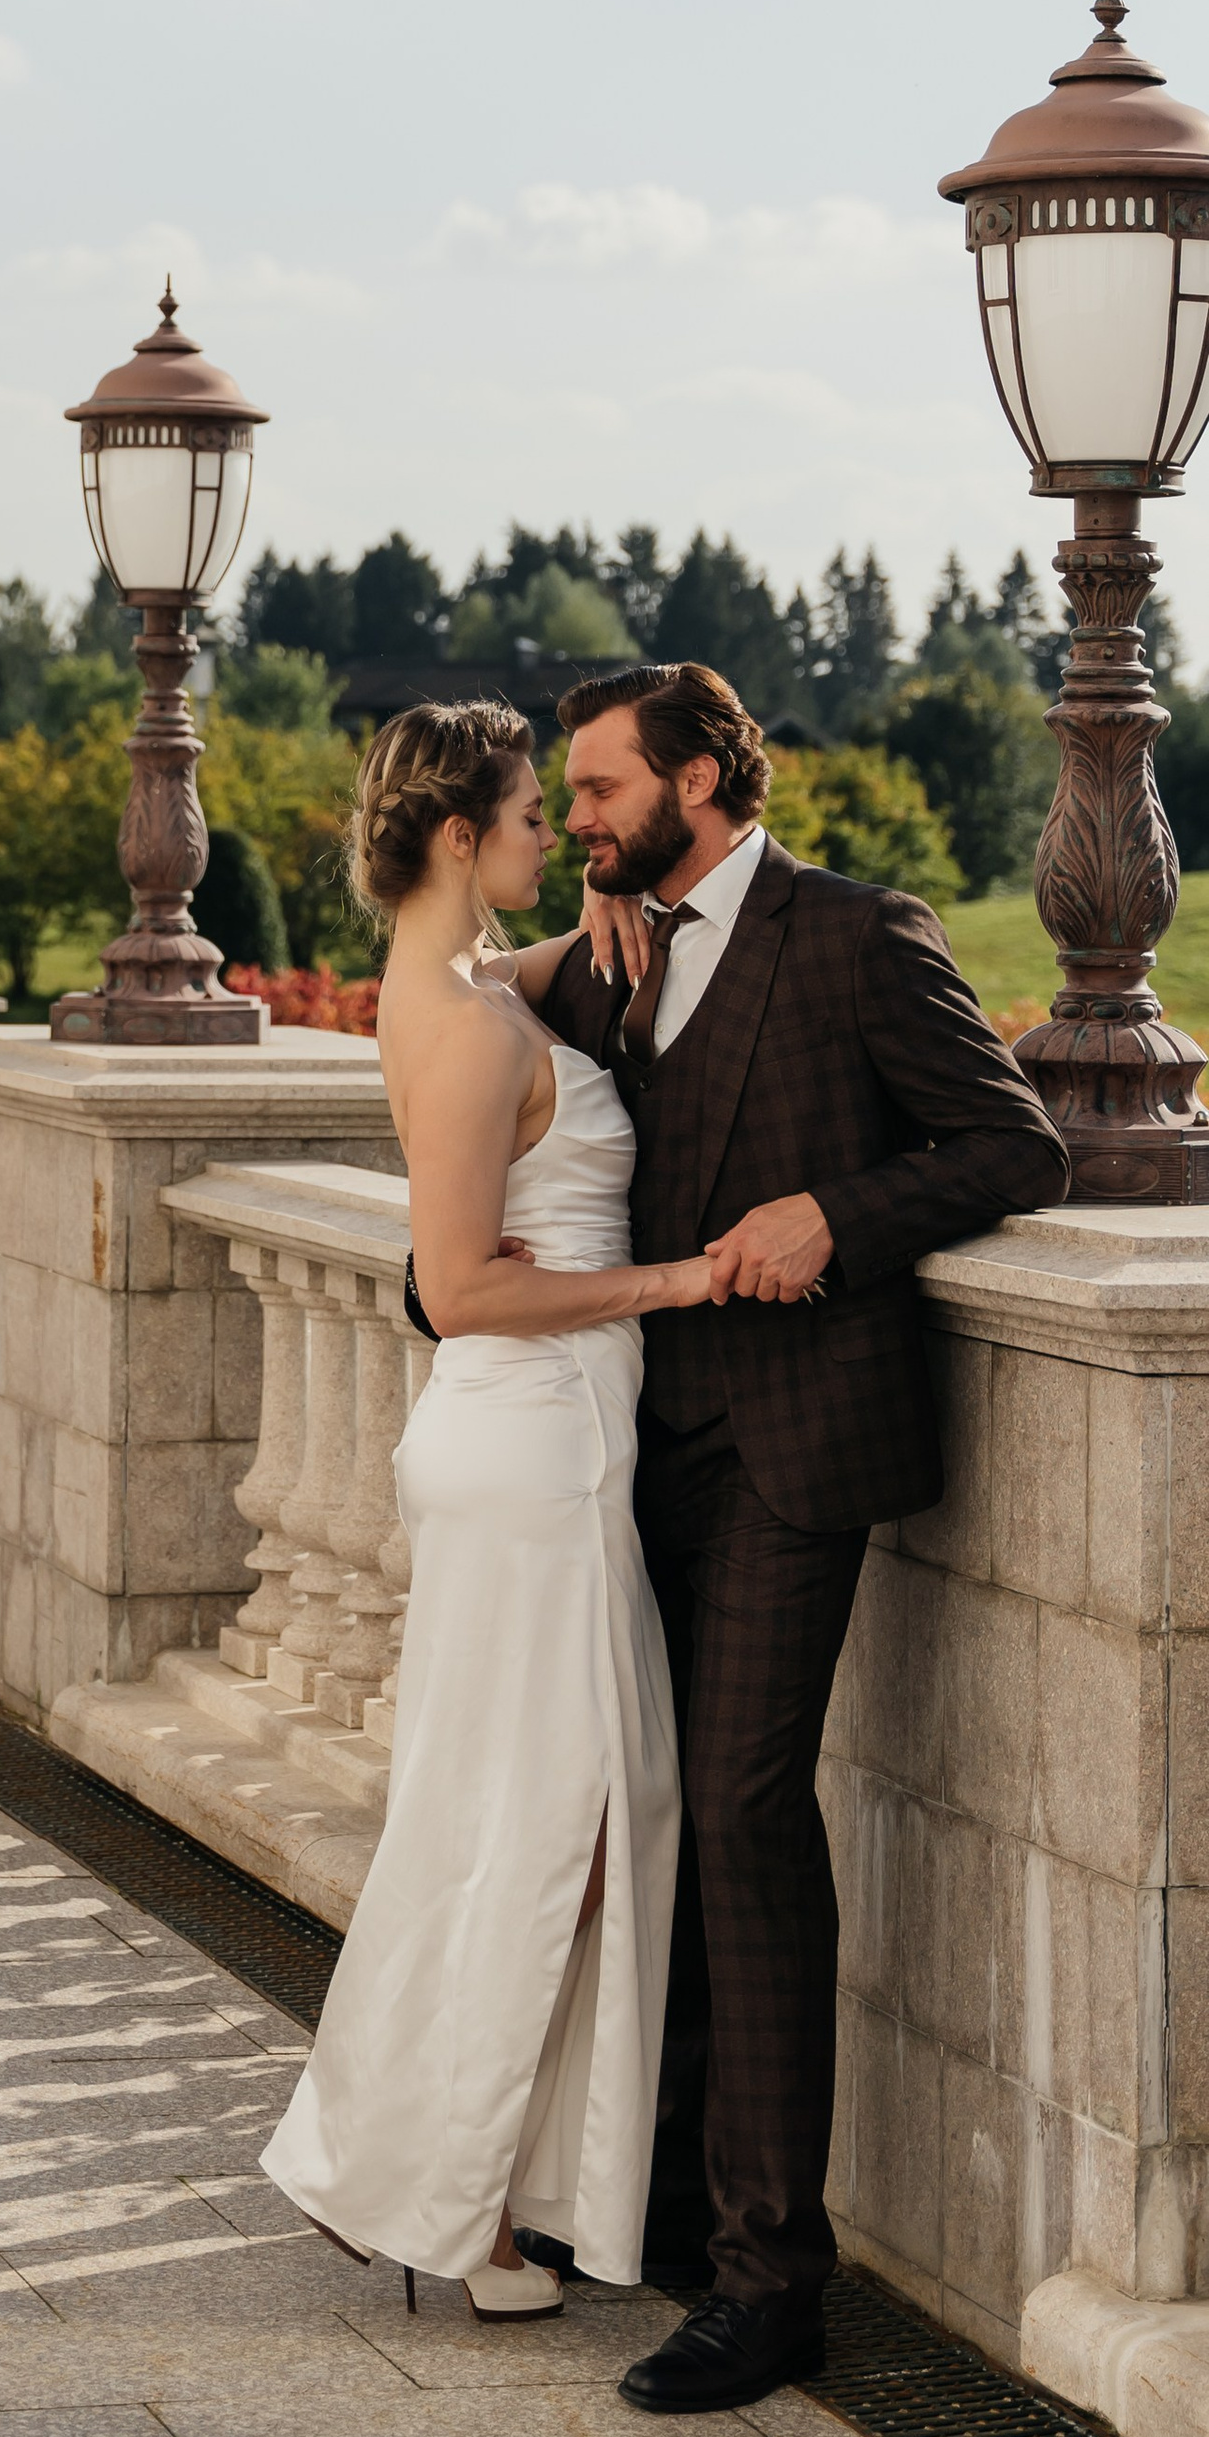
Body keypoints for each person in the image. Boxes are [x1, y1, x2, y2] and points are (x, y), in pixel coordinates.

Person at [543, 661, 1068, 2413]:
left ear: (698, 778)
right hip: (634, 1445)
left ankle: (772, 2283)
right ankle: (664, 2204)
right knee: (654, 1807)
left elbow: (1014, 1147)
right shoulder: (603, 958)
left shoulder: (856, 935)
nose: (580, 817)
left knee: (745, 1811)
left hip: (797, 1446)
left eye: (602, 789)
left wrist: (835, 1214)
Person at [262, 699, 720, 2316]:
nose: (557, 835)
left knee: (548, 1820)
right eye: (535, 816)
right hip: (534, 1451)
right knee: (548, 1831)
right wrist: (674, 1280)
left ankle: (437, 2179)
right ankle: (441, 2193)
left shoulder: (454, 986)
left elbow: (516, 976)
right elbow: (457, 1290)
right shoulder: (465, 1029)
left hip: (546, 1444)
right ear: (462, 835)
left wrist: (600, 914)